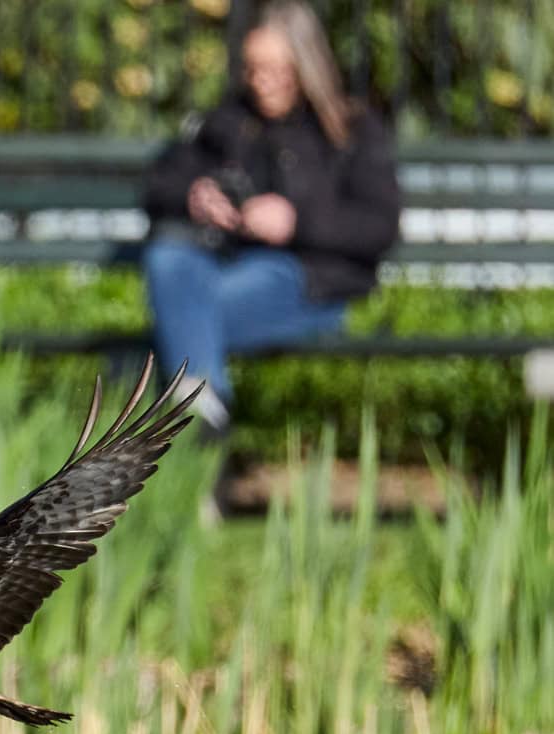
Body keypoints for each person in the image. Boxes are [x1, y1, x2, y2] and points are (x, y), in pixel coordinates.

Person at [140, 0, 400, 435]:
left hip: (307, 283)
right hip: (222, 265)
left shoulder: (351, 128)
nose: (262, 83)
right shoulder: (230, 118)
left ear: (306, 64)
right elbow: (158, 183)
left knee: (186, 310)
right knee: (168, 259)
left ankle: (196, 425)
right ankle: (206, 408)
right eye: (253, 69)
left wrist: (296, 223)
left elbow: (380, 226)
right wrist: (195, 196)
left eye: (277, 70)